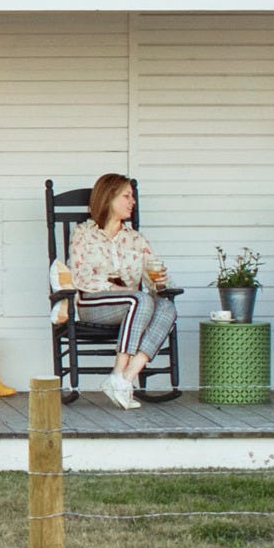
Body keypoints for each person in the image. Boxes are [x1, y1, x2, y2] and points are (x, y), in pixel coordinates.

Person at [51, 172, 177, 405]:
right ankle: (118, 372)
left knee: (167, 307)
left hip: (132, 306)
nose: (133, 202)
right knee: (139, 300)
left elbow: (153, 281)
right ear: (109, 198)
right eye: (127, 196)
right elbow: (80, 276)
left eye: (132, 196)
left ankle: (126, 378)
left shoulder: (136, 239)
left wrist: (159, 280)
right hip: (94, 302)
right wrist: (116, 289)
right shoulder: (84, 234)